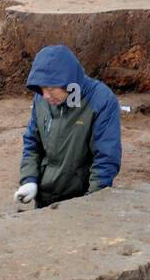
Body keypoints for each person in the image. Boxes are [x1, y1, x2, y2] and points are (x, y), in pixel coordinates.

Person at [15, 44, 121, 209]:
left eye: (50, 88)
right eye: (42, 88)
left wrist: (91, 203)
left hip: (78, 201)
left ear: (68, 81)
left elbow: (106, 159)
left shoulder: (101, 101)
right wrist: (29, 180)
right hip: (45, 198)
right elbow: (32, 143)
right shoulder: (42, 100)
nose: (45, 95)